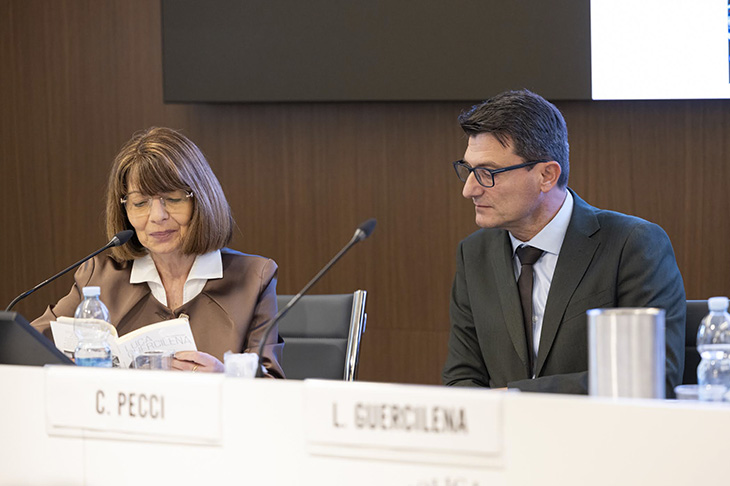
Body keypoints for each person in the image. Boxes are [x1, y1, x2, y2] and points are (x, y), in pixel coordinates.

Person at [442, 89, 685, 395]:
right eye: (468, 170)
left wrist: (517, 397)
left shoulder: (632, 245)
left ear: (547, 175)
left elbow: (650, 376)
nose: (469, 190)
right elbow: (461, 378)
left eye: (487, 173)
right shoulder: (474, 253)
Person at [32, 127, 284, 377]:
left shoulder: (254, 278)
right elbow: (28, 345)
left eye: (172, 198)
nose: (157, 216)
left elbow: (273, 385)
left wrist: (226, 376)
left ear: (201, 199)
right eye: (140, 203)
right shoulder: (99, 277)